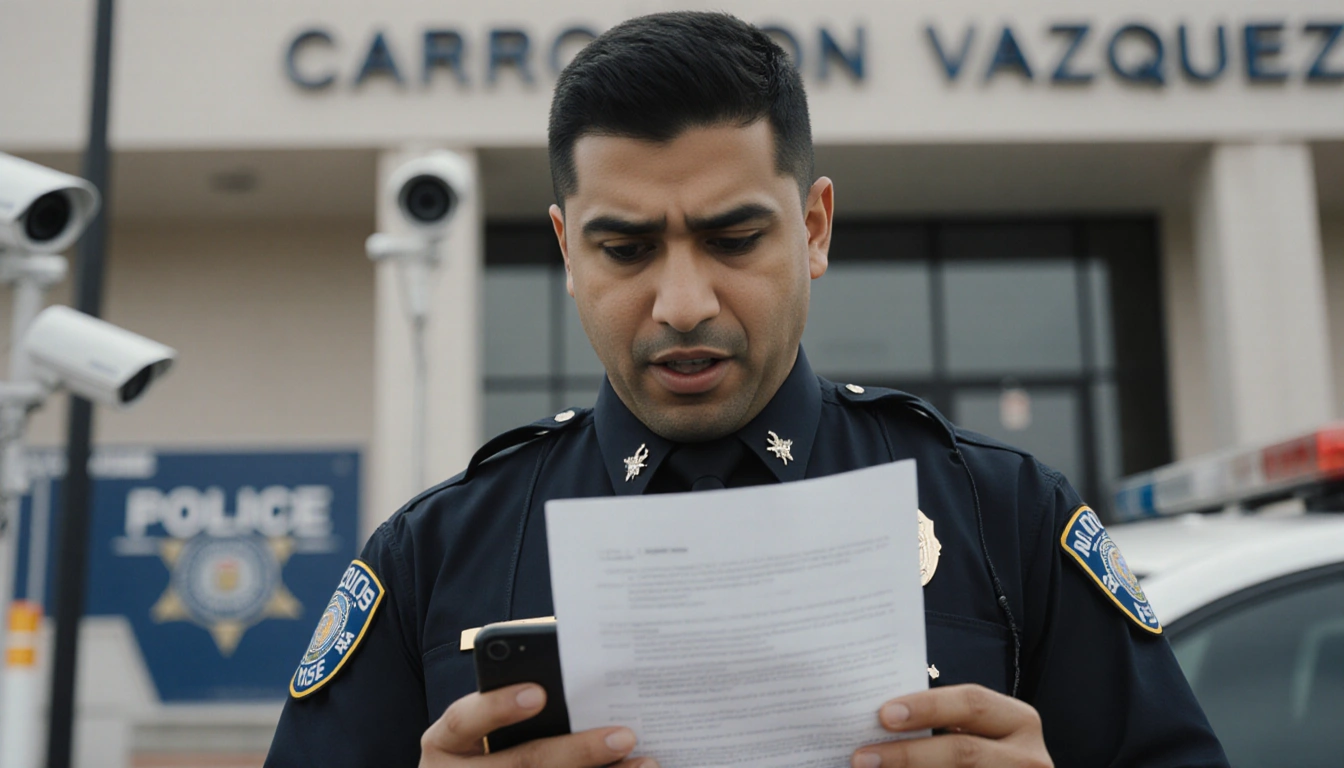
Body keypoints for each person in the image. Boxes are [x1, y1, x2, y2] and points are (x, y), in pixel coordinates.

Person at [266, 12, 1228, 767]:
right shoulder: (433, 556)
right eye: (627, 248)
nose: (682, 304)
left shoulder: (1006, 517)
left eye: (733, 240)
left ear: (813, 228)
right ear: (567, 251)